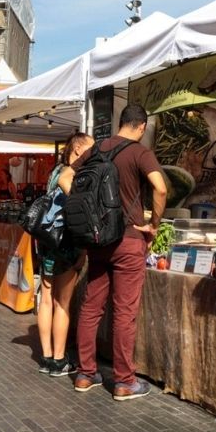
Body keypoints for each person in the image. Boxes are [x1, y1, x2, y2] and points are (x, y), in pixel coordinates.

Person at [62, 105, 166, 400]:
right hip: (129, 239)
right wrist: (153, 225)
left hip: (98, 241)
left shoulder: (97, 149)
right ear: (142, 127)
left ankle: (85, 374)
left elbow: (64, 178)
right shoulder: (139, 152)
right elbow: (160, 188)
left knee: (91, 307)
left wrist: (89, 212)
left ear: (121, 122)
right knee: (124, 312)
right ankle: (124, 381)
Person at [36, 132, 94, 377]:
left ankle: (46, 357)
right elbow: (77, 205)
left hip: (46, 241)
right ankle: (59, 360)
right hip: (65, 243)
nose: (94, 153)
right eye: (91, 149)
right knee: (63, 302)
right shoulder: (69, 173)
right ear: (78, 150)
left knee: (46, 298)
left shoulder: (53, 171)